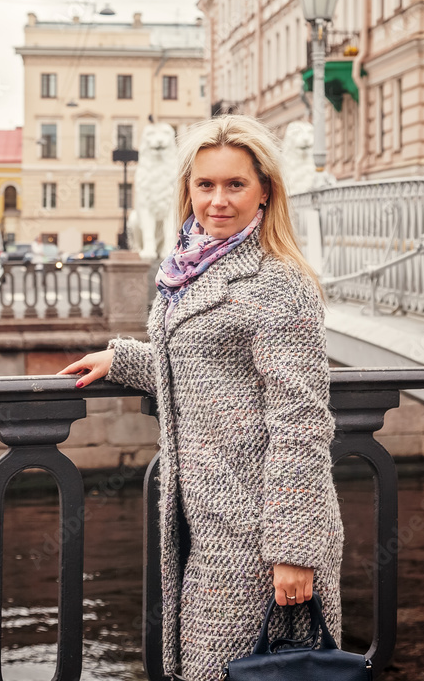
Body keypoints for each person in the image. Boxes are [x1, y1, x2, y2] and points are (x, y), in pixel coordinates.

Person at [58, 115, 343, 681]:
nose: (218, 200)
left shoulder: (276, 280)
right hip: (202, 518)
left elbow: (302, 419)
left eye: (235, 185)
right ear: (186, 189)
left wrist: (292, 550)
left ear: (265, 190)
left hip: (258, 530)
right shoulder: (188, 265)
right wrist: (127, 359)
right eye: (205, 185)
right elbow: (202, 362)